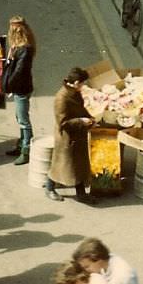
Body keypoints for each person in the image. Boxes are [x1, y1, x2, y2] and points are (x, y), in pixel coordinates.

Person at [45, 67, 96, 204]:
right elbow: (63, 123)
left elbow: (81, 108)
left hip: (78, 134)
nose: (83, 86)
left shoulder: (74, 92)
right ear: (76, 82)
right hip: (67, 137)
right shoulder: (61, 98)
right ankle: (49, 188)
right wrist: (81, 121)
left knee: (78, 166)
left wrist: (89, 117)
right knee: (61, 165)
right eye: (82, 83)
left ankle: (81, 194)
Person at [1, 15, 36, 165]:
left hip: (21, 88)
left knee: (23, 121)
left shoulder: (25, 50)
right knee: (19, 117)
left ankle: (26, 150)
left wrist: (8, 86)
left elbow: (18, 72)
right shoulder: (19, 48)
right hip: (19, 87)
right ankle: (22, 144)